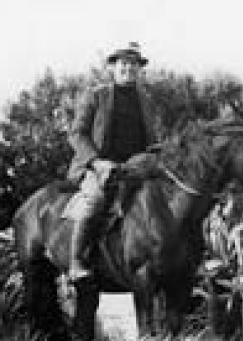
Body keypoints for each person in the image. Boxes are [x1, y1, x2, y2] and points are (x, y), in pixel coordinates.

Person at [66, 42, 156, 291]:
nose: (129, 68)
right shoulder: (96, 95)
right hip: (99, 166)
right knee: (95, 200)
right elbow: (77, 134)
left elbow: (152, 141)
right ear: (113, 67)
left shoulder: (145, 101)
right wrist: (96, 162)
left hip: (135, 168)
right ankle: (76, 262)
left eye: (134, 63)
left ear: (139, 69)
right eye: (124, 63)